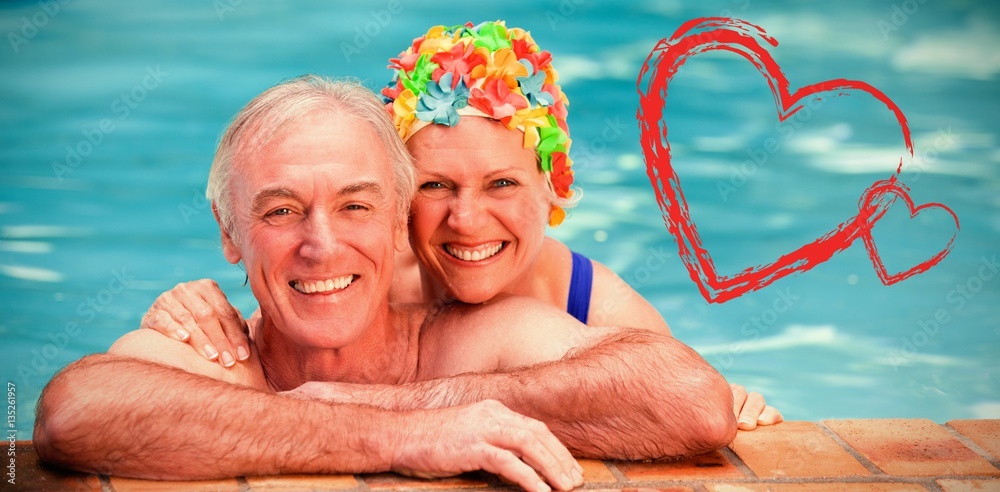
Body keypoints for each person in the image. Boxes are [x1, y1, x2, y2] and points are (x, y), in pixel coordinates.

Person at [33, 75, 737, 490]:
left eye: (356, 206)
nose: (321, 244)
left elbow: (692, 402)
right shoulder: (217, 353)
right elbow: (70, 415)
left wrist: (429, 400)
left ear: (400, 220)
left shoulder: (473, 338)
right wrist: (400, 436)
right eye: (280, 211)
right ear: (227, 232)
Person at [142, 21, 780, 430]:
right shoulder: (359, 271)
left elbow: (675, 398)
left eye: (502, 183)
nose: (467, 220)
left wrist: (730, 397)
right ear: (395, 205)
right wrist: (192, 301)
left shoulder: (602, 308)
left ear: (554, 186)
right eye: (435, 187)